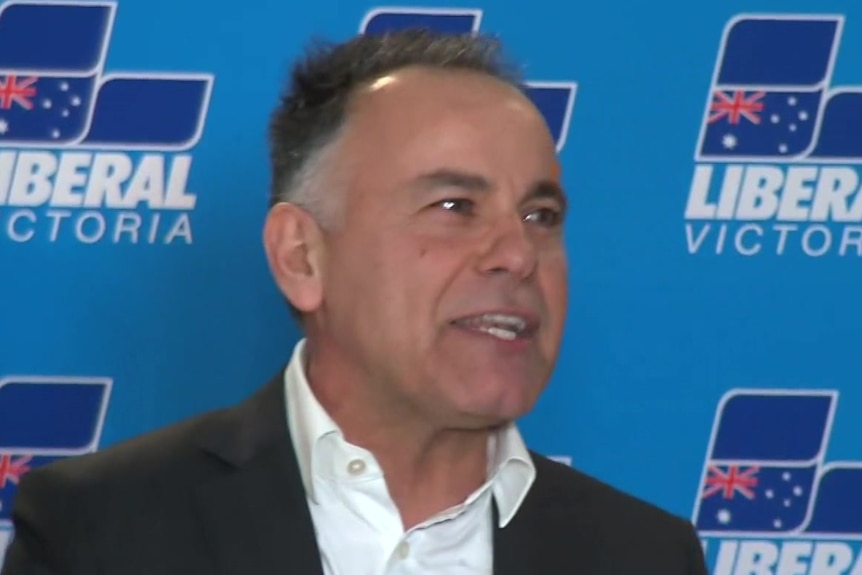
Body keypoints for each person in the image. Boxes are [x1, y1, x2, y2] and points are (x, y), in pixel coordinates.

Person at [2, 29, 708, 575]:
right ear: (302, 257)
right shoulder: (102, 531)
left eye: (541, 215)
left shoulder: (643, 555)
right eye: (455, 205)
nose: (517, 255)